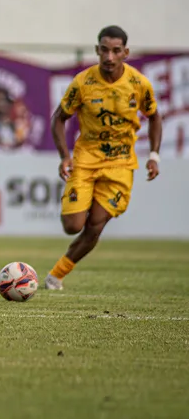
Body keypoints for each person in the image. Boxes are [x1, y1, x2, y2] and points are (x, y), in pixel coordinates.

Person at [44, 26, 161, 291]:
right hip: (85, 161)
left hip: (120, 166)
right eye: (104, 50)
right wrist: (64, 156)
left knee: (95, 226)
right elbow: (58, 119)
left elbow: (154, 116)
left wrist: (154, 155)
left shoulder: (138, 84)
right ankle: (58, 268)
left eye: (116, 51)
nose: (109, 57)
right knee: (73, 225)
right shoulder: (83, 83)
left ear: (125, 53)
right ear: (97, 50)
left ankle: (56, 276)